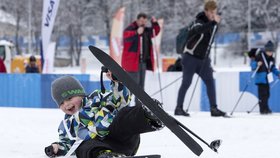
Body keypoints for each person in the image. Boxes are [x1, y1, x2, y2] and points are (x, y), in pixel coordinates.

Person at [44, 73, 164, 157]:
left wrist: (117, 83)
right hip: (101, 147)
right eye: (61, 103)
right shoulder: (66, 125)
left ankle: (150, 117)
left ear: (80, 94)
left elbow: (120, 100)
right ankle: (106, 156)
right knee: (82, 148)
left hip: (122, 137)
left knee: (123, 116)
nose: (67, 104)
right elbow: (67, 144)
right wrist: (57, 148)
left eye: (69, 98)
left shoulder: (97, 98)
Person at [175, 0, 226, 117]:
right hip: (190, 58)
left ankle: (214, 108)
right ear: (206, 11)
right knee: (186, 83)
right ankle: (179, 108)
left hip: (203, 59)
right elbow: (199, 30)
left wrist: (214, 24)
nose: (213, 14)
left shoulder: (213, 24)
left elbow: (209, 41)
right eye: (211, 12)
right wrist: (213, 23)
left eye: (215, 12)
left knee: (210, 82)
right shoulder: (198, 21)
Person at [121, 12, 160, 106]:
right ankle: (125, 105)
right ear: (137, 20)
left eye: (145, 21)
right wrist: (136, 33)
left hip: (143, 62)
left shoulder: (146, 30)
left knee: (141, 86)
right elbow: (125, 37)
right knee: (132, 86)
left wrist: (155, 23)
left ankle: (138, 106)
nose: (143, 23)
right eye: (142, 21)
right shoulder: (131, 28)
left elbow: (156, 31)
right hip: (132, 63)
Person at [250, 41, 280, 114]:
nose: (270, 53)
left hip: (267, 79)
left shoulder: (271, 59)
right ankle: (263, 109)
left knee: (267, 94)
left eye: (271, 51)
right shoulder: (260, 56)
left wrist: (278, 73)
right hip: (261, 79)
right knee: (263, 95)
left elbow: (273, 68)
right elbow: (252, 65)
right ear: (266, 50)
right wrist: (257, 64)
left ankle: (266, 108)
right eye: (269, 51)